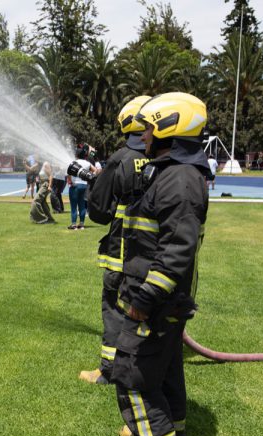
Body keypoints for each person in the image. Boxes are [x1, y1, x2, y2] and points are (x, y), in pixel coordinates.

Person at [110, 92, 210, 436]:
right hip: (160, 298)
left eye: (150, 129)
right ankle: (174, 429)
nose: (144, 138)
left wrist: (144, 299)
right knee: (165, 370)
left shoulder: (180, 180)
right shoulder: (173, 173)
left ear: (171, 128)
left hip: (155, 299)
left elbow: (175, 252)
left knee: (132, 372)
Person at [79, 95, 151, 385]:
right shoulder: (162, 157)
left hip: (122, 250)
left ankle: (109, 370)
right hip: (153, 253)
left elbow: (100, 211)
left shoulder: (123, 158)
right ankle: (142, 363)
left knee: (114, 306)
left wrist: (96, 182)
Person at [67, 143, 97, 230]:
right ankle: (82, 224)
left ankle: (73, 224)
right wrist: (90, 177)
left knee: (73, 206)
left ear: (76, 155)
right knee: (82, 206)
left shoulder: (73, 162)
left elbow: (68, 173)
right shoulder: (87, 163)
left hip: (75, 186)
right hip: (84, 186)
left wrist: (71, 182)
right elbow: (96, 170)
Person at [30, 160, 55, 224]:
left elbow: (51, 175)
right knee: (43, 202)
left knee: (36, 201)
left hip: (45, 184)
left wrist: (49, 186)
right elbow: (31, 169)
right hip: (41, 184)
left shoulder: (46, 164)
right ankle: (50, 219)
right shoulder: (41, 165)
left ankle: (42, 219)